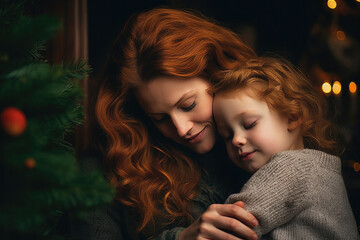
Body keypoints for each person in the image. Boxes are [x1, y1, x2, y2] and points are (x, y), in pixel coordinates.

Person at [75, 7, 261, 240]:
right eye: (160, 118)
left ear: (217, 74)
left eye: (189, 105)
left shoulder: (269, 135)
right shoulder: (103, 168)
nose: (182, 129)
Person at [212, 56, 360, 239]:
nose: (236, 140)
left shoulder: (292, 168)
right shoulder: (318, 168)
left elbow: (227, 226)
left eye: (249, 124)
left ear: (292, 117)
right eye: (226, 135)